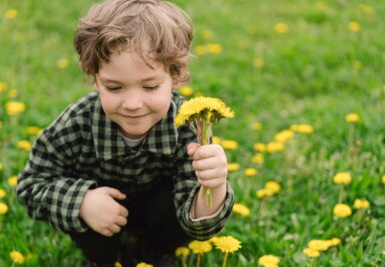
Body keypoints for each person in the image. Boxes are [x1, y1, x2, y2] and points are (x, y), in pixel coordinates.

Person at [16, 0, 234, 266]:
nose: (132, 104)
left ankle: (155, 252)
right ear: (95, 79)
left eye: (150, 86)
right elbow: (30, 185)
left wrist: (214, 186)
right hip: (100, 216)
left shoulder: (189, 126)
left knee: (175, 200)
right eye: (115, 88)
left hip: (159, 212)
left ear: (175, 77)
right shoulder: (76, 124)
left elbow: (201, 227)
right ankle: (103, 259)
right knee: (86, 221)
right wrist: (81, 202)